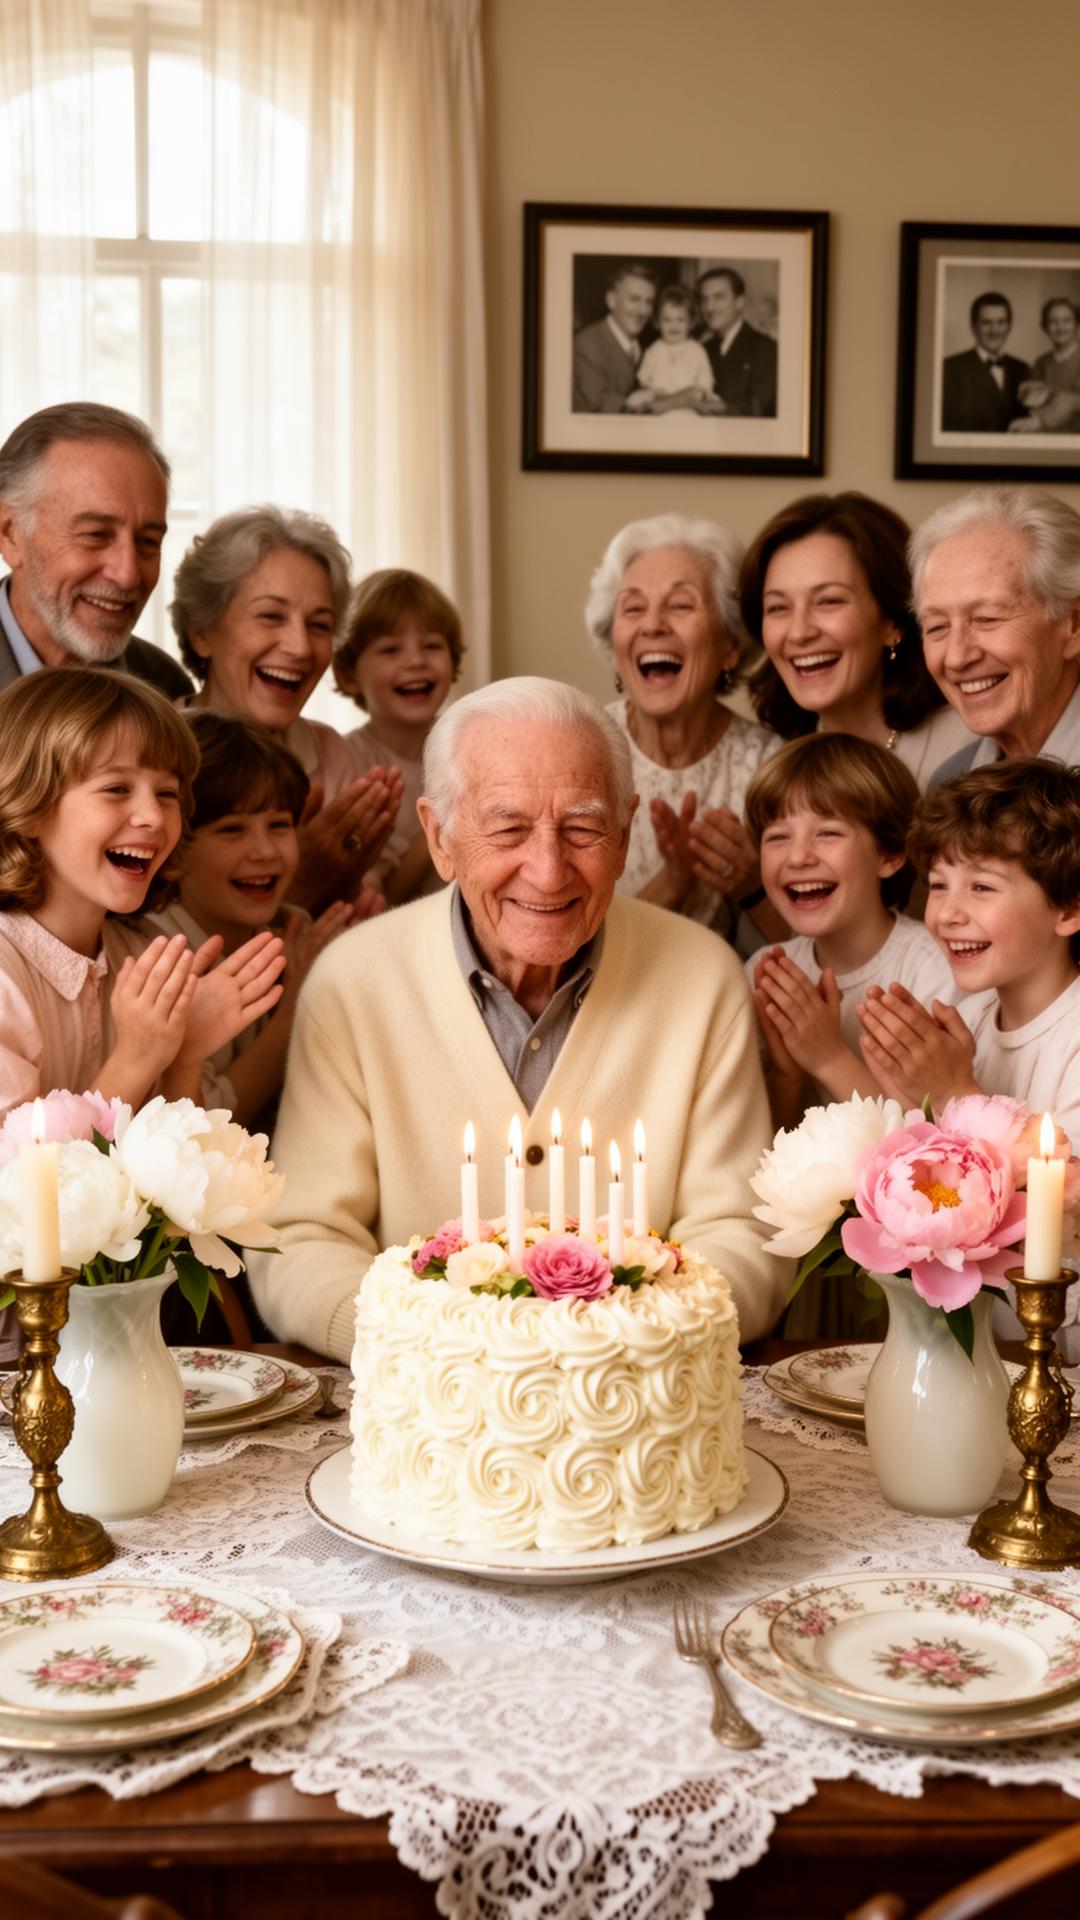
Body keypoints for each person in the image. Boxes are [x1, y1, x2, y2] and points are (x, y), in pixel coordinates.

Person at [247, 677, 785, 1357]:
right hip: (424, 1389)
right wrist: (449, 1351)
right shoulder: (353, 982)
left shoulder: (703, 977)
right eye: (508, 828)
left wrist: (613, 1346)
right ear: (439, 838)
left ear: (625, 834)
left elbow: (742, 1236)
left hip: (639, 1384)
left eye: (583, 828)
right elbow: (302, 1242)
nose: (549, 870)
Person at [0, 668, 285, 1122]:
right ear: (28, 806)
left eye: (168, 793)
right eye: (117, 789)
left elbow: (180, 1152)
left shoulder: (139, 953)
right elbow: (19, 1165)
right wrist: (138, 1057)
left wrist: (184, 1056)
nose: (153, 815)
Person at [170, 505, 403, 913]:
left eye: (319, 625)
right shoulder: (156, 754)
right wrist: (300, 879)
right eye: (271, 616)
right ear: (201, 631)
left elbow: (360, 913)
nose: (299, 647)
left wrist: (350, 877)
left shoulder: (330, 753)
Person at [143, 712, 367, 1126]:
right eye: (232, 830)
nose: (264, 851)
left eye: (279, 825)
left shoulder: (295, 930)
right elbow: (207, 1128)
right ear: (175, 845)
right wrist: (295, 1008)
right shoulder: (155, 958)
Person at [857, 759, 1080, 1145]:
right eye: (938, 885)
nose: (947, 914)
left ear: (1069, 910)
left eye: (982, 887)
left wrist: (953, 1092)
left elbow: (1067, 1180)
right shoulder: (969, 1020)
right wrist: (909, 1094)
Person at [743, 734, 954, 1130]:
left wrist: (827, 1057)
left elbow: (932, 1143)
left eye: (828, 833)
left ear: (890, 854)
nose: (798, 856)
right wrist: (788, 1074)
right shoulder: (763, 971)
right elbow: (761, 1141)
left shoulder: (932, 969)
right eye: (778, 837)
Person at [585, 513, 779, 942]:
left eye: (680, 605)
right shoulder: (580, 748)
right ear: (614, 644)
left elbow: (813, 950)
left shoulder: (770, 767)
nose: (653, 625)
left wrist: (752, 886)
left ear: (730, 646)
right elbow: (561, 948)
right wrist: (672, 884)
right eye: (633, 608)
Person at [741, 491, 974, 790]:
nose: (799, 633)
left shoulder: (971, 750)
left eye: (829, 601)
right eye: (778, 607)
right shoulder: (772, 766)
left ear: (894, 621)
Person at [0, 401, 190, 698]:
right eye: (96, 535)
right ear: (10, 534)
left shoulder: (164, 686)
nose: (128, 575)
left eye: (148, 541)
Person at [912, 486, 1080, 783]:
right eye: (937, 626)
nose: (956, 658)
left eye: (986, 618)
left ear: (1074, 624)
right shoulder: (950, 782)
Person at [333, 568, 464, 903]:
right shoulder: (346, 763)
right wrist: (444, 818)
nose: (416, 661)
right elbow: (382, 901)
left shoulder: (470, 745)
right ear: (349, 675)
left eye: (432, 646)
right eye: (391, 650)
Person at [572, 262, 657, 413]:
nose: (643, 311)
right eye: (634, 299)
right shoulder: (586, 346)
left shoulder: (647, 345)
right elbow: (608, 409)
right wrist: (679, 400)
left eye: (648, 302)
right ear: (611, 300)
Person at [941, 292, 1030, 433]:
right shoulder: (949, 369)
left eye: (1001, 322)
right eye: (986, 323)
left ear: (1009, 326)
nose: (994, 330)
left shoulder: (1022, 368)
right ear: (973, 327)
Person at [697, 268, 777, 417]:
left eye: (718, 297)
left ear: (739, 302)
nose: (709, 307)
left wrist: (711, 408)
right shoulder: (702, 349)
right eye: (704, 299)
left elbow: (759, 410)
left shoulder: (767, 349)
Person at [627, 285, 715, 415]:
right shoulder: (654, 350)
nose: (674, 326)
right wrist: (652, 390)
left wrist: (701, 392)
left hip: (689, 406)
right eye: (667, 320)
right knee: (635, 400)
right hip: (659, 405)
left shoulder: (697, 350)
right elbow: (643, 379)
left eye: (681, 320)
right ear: (658, 322)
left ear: (691, 322)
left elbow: (706, 381)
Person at [1010, 298, 1080, 434]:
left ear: (1076, 324)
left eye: (1067, 321)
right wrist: (1027, 394)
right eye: (1053, 322)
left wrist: (1041, 419)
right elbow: (1032, 401)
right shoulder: (1041, 362)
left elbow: (1073, 401)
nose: (1060, 327)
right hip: (1047, 437)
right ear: (1045, 327)